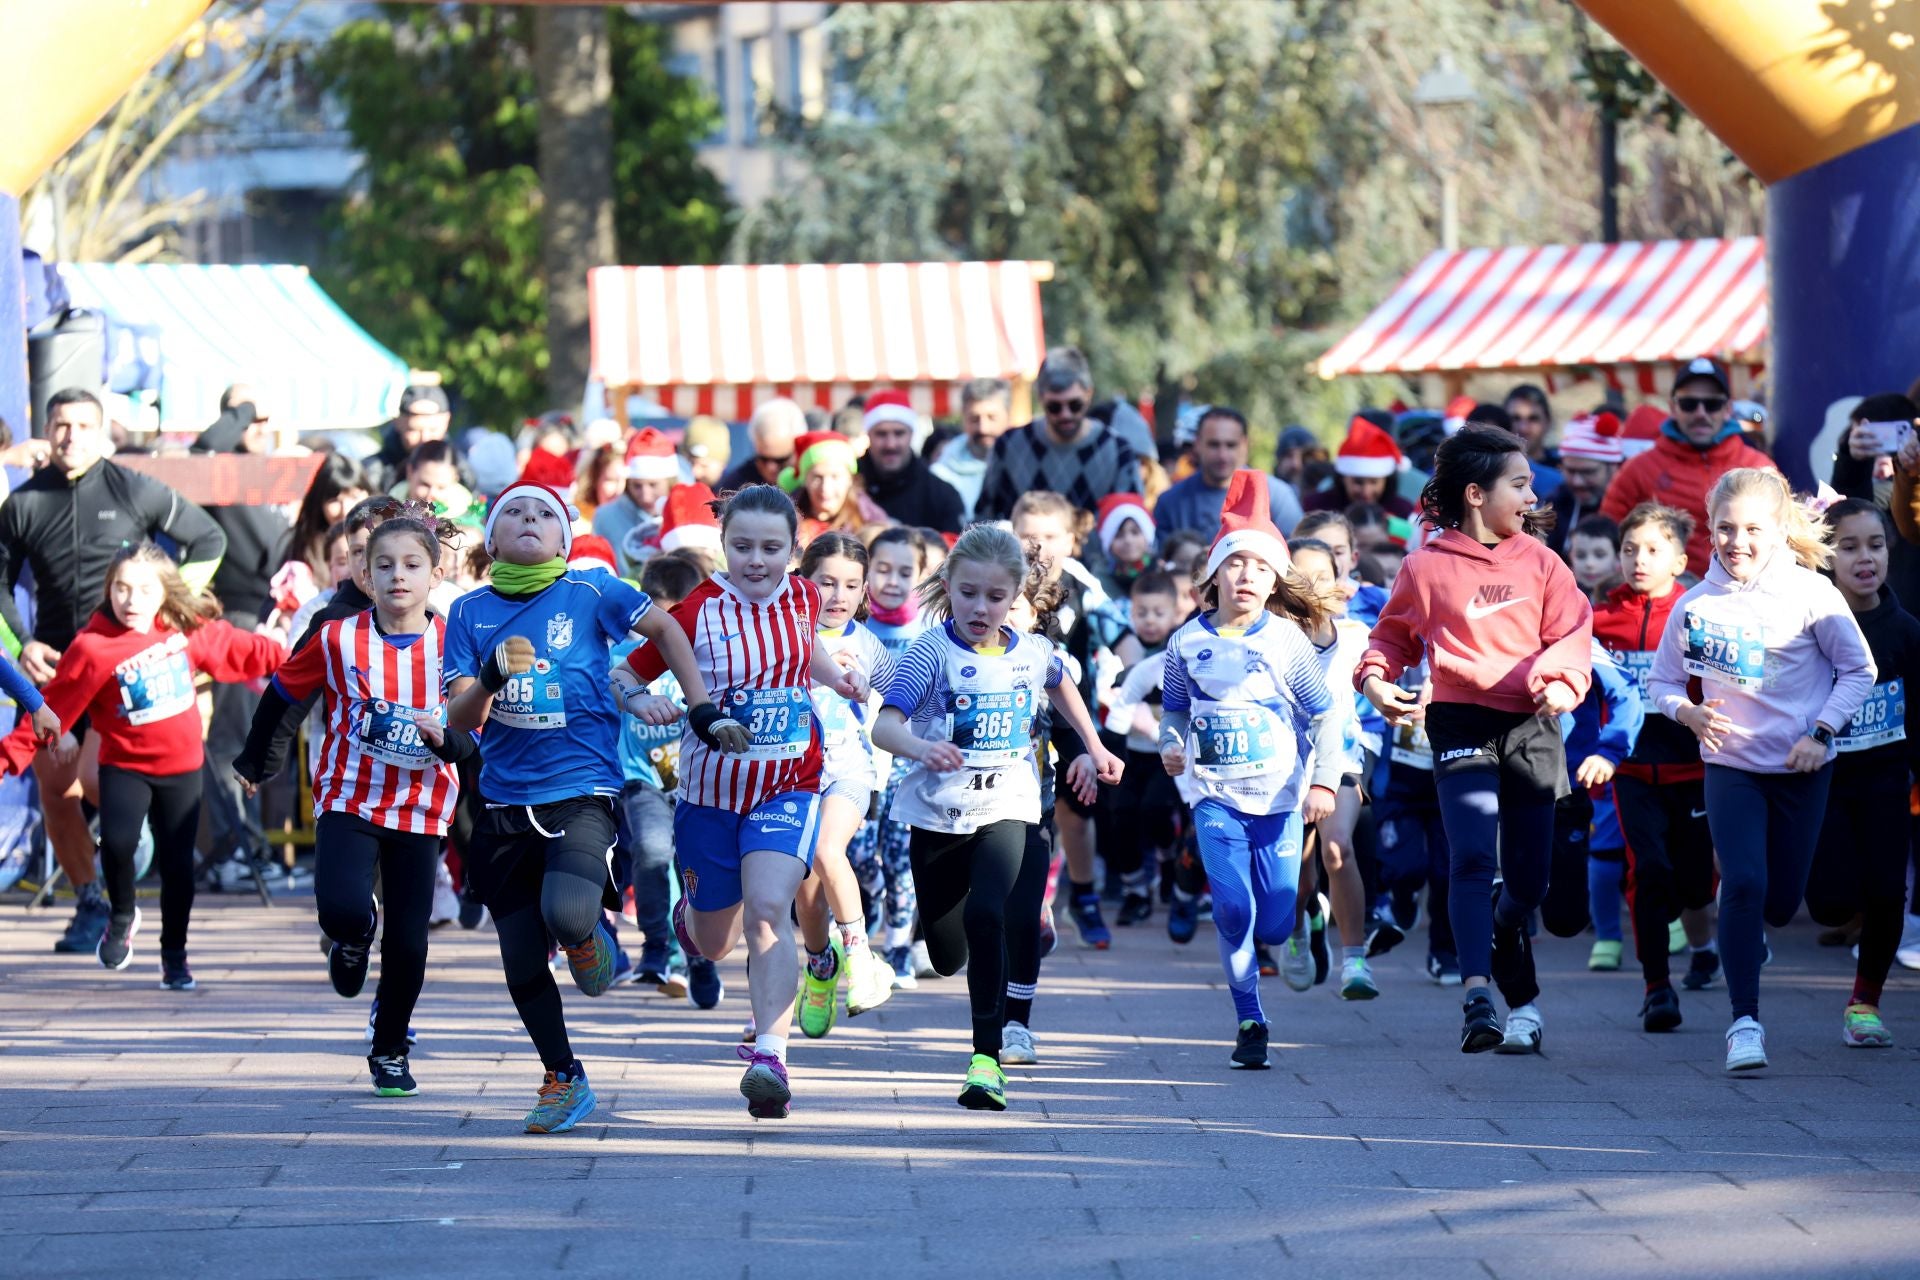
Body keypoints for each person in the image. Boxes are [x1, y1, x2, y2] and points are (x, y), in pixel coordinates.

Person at [442, 480, 720, 1134]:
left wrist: (698, 702)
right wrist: (490, 677)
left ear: (565, 538)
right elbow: (460, 717)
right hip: (503, 801)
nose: (530, 519)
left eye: (545, 512)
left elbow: (668, 629)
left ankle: (591, 934)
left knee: (565, 913)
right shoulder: (468, 611)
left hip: (582, 790)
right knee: (518, 966)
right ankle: (563, 1077)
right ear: (492, 538)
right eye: (515, 511)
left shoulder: (594, 590)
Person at [613, 485, 866, 1120]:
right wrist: (639, 700)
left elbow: (804, 646)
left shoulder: (805, 596)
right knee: (714, 942)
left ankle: (771, 1058)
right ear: (723, 546)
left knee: (769, 909)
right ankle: (690, 922)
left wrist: (837, 677)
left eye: (772, 548)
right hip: (709, 796)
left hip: (790, 783)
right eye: (743, 546)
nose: (757, 560)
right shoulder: (697, 610)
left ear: (794, 550)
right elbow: (628, 672)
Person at [1358, 426, 1593, 1056]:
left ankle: (1503, 928)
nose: (1531, 493)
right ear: (1474, 494)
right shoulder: (1425, 566)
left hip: (1532, 727)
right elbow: (1390, 638)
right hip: (1459, 721)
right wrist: (1376, 681)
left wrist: (1564, 685)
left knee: (1528, 885)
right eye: (1518, 483)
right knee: (1469, 860)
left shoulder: (1544, 561)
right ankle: (1477, 997)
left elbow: (1573, 633)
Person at [872, 524, 1122, 1110]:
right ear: (948, 588)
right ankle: (949, 953)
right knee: (946, 952)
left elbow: (1062, 685)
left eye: (994, 596)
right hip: (937, 813)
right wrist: (920, 748)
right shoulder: (931, 652)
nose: (980, 608)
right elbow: (886, 724)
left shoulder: (1033, 651)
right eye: (967, 593)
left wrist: (1094, 744)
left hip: (1008, 803)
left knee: (992, 912)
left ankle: (985, 1060)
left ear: (1015, 598)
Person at [1646, 468, 1873, 1072]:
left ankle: (1758, 932)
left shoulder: (1813, 595)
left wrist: (1820, 732)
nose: (1736, 542)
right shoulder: (1695, 604)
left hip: (1803, 766)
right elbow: (1662, 681)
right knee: (1742, 885)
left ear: (1778, 531)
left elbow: (1860, 671)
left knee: (1779, 901)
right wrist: (1687, 711)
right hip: (1731, 764)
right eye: (1725, 528)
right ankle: (1744, 1023)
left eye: (1751, 529)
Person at [233, 515, 468, 1096]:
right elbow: (284, 692)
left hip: (421, 803)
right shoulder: (337, 636)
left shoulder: (454, 643)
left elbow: (476, 725)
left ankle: (389, 1047)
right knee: (341, 907)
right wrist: (256, 762)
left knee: (410, 942)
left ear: (435, 575)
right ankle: (352, 936)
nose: (397, 577)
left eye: (412, 566)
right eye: (383, 565)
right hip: (349, 796)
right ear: (363, 573)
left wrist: (450, 741)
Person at [0, 387, 226, 954]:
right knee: (56, 785)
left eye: (82, 425)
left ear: (102, 433)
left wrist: (166, 613)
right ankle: (90, 902)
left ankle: (130, 841)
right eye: (60, 425)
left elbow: (209, 537)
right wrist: (22, 643)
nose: (70, 435)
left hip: (129, 669)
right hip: (59, 667)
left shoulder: (134, 487)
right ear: (47, 432)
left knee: (104, 777)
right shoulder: (24, 503)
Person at [0, 543, 281, 989]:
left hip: (181, 769)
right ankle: (122, 914)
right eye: (121, 589)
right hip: (123, 765)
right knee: (116, 843)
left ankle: (175, 956)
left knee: (177, 868)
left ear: (165, 592)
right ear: (108, 590)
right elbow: (50, 712)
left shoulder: (186, 630)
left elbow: (244, 650)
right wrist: (4, 760)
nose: (131, 601)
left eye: (144, 590)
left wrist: (302, 650)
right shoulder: (93, 647)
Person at [1158, 472, 1345, 1068]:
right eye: (1235, 565)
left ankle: (1302, 922)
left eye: (1260, 568)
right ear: (1214, 575)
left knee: (1274, 920)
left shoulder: (1287, 642)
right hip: (1215, 799)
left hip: (1281, 800)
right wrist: (1171, 743)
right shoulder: (1185, 642)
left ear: (1274, 582)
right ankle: (1250, 1018)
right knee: (1234, 911)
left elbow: (1325, 715)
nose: (1246, 577)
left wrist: (1323, 781)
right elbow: (1175, 709)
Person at [1593, 503, 1722, 1026]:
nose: (1638, 560)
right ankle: (1657, 989)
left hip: (1692, 771)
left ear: (1678, 559)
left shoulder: (1698, 613)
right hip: (1632, 773)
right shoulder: (1598, 620)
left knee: (1693, 883)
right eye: (1629, 549)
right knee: (1649, 873)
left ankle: (1705, 949)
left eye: (1652, 550)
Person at [1804, 499, 1920, 1048]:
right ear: (1828, 557)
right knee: (1828, 901)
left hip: (1886, 783)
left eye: (1874, 545)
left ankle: (1865, 1002)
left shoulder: (1906, 631)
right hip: (1823, 782)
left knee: (1886, 893)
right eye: (1848, 547)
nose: (1864, 557)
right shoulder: (1810, 627)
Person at [791, 532, 898, 1032]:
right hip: (790, 775)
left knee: (829, 851)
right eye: (826, 582)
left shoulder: (867, 643)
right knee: (807, 894)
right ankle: (820, 966)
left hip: (849, 771)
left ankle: (860, 960)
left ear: (863, 592)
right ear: (803, 582)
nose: (838, 596)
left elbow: (907, 691)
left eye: (851, 585)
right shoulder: (784, 631)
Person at [1600, 358, 1777, 575]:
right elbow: (1606, 538)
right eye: (1689, 404)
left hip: (1745, 594)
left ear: (1728, 408)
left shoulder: (1758, 466)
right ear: (1673, 407)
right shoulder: (1638, 469)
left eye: (1712, 404)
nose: (1700, 413)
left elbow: (1784, 537)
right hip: (1666, 599)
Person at [976, 347, 1142, 520]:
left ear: (1088, 394)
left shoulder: (1117, 451)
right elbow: (984, 517)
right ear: (1040, 398)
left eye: (1074, 405)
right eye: (1054, 407)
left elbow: (1132, 522)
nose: (1066, 414)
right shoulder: (1008, 446)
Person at [1154, 407, 1304, 543]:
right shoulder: (1170, 502)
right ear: (1197, 444)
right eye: (1214, 445)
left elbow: (1296, 556)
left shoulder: (1277, 496)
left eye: (1231, 445)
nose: (1222, 455)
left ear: (1245, 445)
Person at [856, 391, 965, 534]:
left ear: (911, 434)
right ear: (868, 434)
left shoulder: (941, 494)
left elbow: (955, 548)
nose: (891, 444)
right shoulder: (847, 485)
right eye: (881, 434)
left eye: (899, 433)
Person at [594, 428, 679, 575]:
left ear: (670, 482)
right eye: (637, 486)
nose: (645, 495)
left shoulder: (684, 518)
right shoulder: (605, 517)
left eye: (653, 485)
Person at [783, 430, 890, 546]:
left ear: (849, 479)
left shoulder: (869, 521)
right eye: (817, 477)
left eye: (835, 477)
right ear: (805, 480)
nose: (825, 487)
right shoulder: (785, 518)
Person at [930, 378, 1011, 521]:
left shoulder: (1026, 464)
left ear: (1008, 416)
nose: (983, 428)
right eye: (974, 419)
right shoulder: (941, 475)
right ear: (964, 418)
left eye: (992, 418)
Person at [1302, 418, 1417, 518]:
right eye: (1358, 482)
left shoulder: (1403, 512)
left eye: (1374, 482)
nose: (1366, 491)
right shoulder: (1317, 508)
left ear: (1386, 480)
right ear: (1343, 478)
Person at [1545, 412, 1623, 559]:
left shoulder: (1630, 508)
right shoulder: (1553, 505)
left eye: (1588, 472)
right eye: (1570, 471)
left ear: (1613, 468)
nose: (1577, 482)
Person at [367, 383, 467, 495]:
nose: (425, 438)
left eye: (433, 429)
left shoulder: (463, 473)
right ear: (397, 422)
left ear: (446, 421)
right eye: (414, 430)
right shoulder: (374, 472)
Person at [717, 398, 804, 493]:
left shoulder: (810, 484)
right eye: (763, 459)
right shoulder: (736, 485)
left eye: (781, 460)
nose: (771, 468)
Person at [1568, 515, 1623, 605]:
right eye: (1580, 556)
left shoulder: (1625, 601)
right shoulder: (1561, 596)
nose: (1589, 564)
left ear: (1618, 558)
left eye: (1600, 555)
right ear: (1571, 558)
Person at [679, 415, 732, 488]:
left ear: (722, 464)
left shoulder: (736, 493)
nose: (695, 472)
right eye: (691, 463)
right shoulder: (678, 490)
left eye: (704, 466)